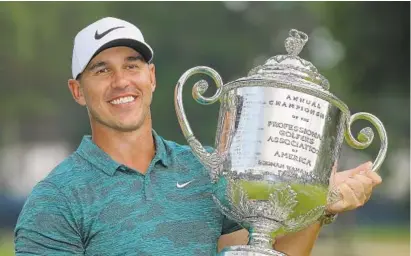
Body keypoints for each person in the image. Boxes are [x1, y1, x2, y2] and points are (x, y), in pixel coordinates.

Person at [14, 17, 382, 256]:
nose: (121, 81)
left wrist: (319, 203)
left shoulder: (209, 169)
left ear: (152, 77)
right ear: (77, 91)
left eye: (132, 65)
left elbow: (265, 250)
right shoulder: (56, 200)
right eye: (100, 70)